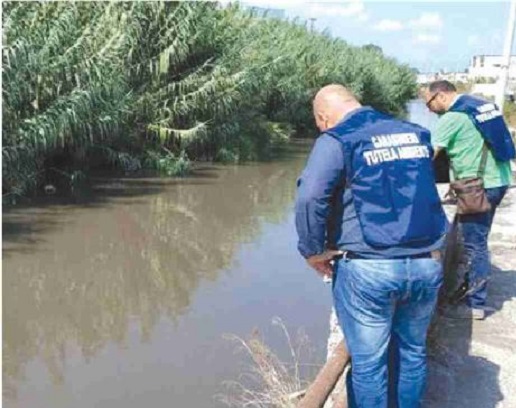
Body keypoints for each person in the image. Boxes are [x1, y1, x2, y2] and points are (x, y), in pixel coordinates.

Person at [295, 84, 448, 408]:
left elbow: (310, 196)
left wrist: (312, 251)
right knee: (412, 352)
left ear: (324, 117)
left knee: (368, 363)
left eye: (318, 123)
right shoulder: (415, 132)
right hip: (426, 262)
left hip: (368, 269)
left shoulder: (337, 138)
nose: (321, 128)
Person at [424, 80, 514, 320]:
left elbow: (427, 156)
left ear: (440, 96)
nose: (429, 110)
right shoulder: (480, 107)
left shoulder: (452, 118)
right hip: (499, 180)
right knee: (480, 236)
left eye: (429, 103)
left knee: (475, 244)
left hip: (477, 187)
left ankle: (476, 304)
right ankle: (472, 286)